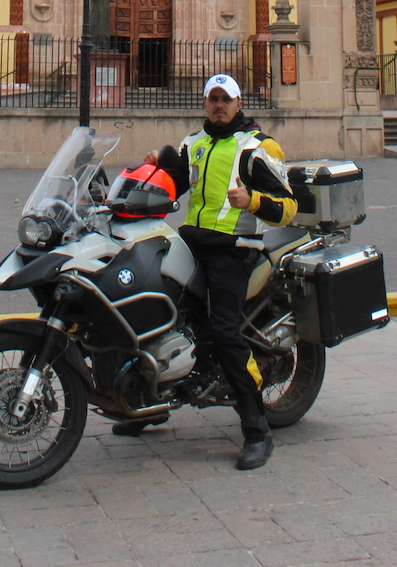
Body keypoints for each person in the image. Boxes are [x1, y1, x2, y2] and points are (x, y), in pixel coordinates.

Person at [113, 72, 297, 470]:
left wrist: (252, 200)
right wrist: (147, 174)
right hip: (192, 245)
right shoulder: (192, 145)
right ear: (205, 103)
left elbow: (288, 206)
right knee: (151, 309)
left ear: (238, 102)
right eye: (212, 99)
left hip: (234, 252)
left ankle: (256, 428)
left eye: (225, 99)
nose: (218, 105)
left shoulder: (258, 148)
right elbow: (172, 186)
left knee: (224, 330)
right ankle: (150, 405)